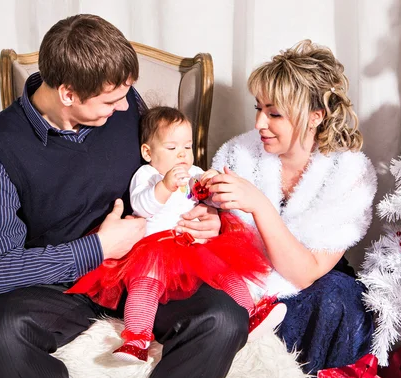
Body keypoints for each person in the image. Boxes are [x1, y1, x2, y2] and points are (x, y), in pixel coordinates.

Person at [0, 15, 247, 378]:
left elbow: (164, 171)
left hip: (147, 266)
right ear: (68, 93)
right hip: (59, 287)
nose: (123, 108)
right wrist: (97, 248)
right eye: (110, 101)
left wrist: (203, 214)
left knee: (224, 319)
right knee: (2, 331)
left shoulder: (126, 102)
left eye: (125, 96)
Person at [208, 40, 377, 377]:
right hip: (245, 277)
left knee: (336, 299)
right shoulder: (239, 155)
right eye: (258, 108)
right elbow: (219, 229)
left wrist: (259, 205)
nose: (258, 124)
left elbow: (304, 273)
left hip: (312, 283)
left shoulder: (349, 173)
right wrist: (208, 219)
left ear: (316, 116)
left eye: (274, 114)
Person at [66, 106, 286, 362]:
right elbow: (142, 206)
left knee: (225, 272)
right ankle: (136, 339)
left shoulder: (192, 173)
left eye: (187, 147)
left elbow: (210, 203)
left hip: (193, 245)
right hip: (156, 247)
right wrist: (165, 185)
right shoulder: (147, 175)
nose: (182, 155)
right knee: (145, 285)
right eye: (172, 149)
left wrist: (210, 185)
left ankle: (251, 313)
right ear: (148, 152)